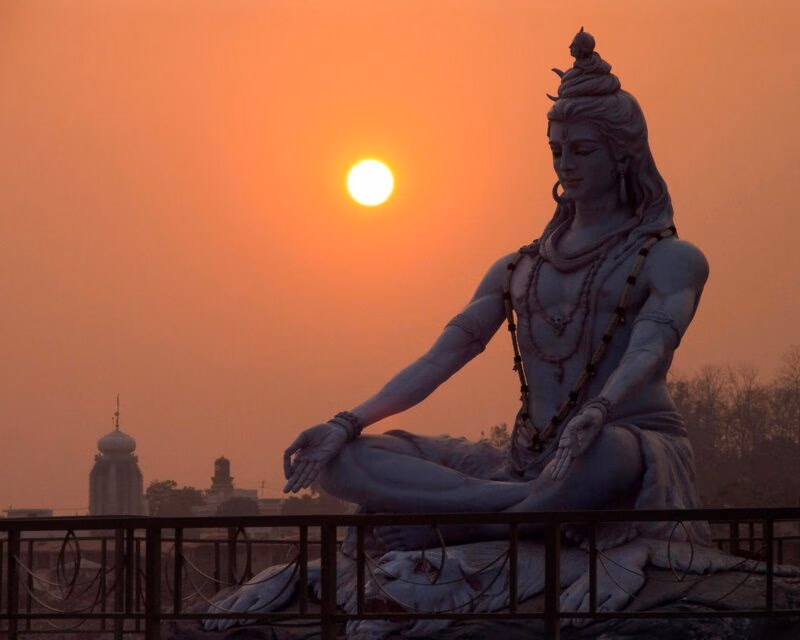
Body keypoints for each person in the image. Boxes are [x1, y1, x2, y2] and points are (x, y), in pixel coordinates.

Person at [283, 29, 710, 550]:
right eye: (557, 150)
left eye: (582, 150)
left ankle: (467, 523)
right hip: (526, 460)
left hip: (616, 442)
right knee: (343, 460)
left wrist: (601, 407)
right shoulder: (518, 268)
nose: (566, 164)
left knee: (603, 453)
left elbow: (651, 345)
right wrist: (346, 423)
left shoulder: (669, 258)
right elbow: (441, 358)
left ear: (623, 155)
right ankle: (524, 504)